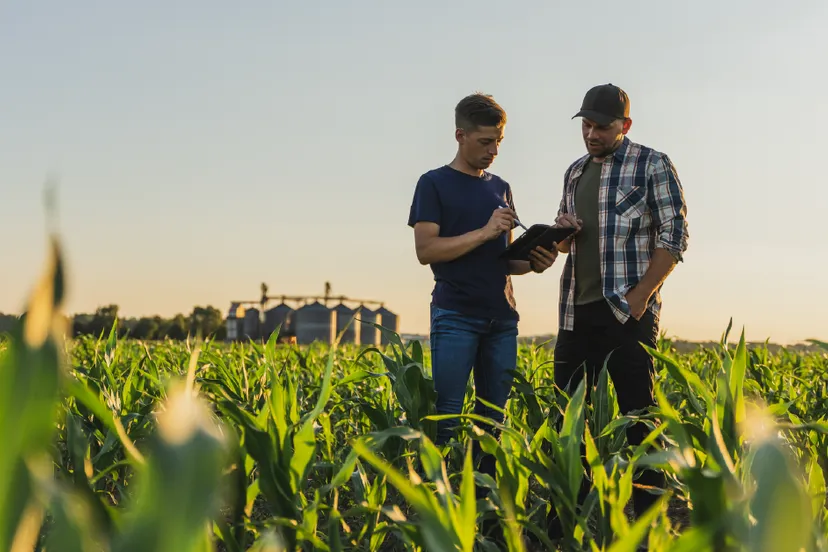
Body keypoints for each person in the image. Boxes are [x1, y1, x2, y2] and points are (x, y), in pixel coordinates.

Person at [551, 83, 690, 531]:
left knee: (639, 417)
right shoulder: (574, 172)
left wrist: (641, 296)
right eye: (586, 125)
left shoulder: (652, 164)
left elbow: (676, 234)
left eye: (602, 126)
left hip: (627, 312)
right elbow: (565, 232)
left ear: (624, 126)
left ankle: (651, 522)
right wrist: (563, 231)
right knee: (568, 417)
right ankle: (573, 515)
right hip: (576, 311)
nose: (591, 134)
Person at [407, 92, 559, 485]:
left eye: (499, 142)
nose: (493, 151)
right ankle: (438, 504)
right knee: (448, 418)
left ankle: (483, 504)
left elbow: (503, 260)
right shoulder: (433, 184)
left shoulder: (501, 187)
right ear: (460, 135)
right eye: (485, 142)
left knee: (493, 419)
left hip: (502, 319)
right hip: (455, 315)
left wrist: (535, 263)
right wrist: (486, 230)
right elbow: (427, 251)